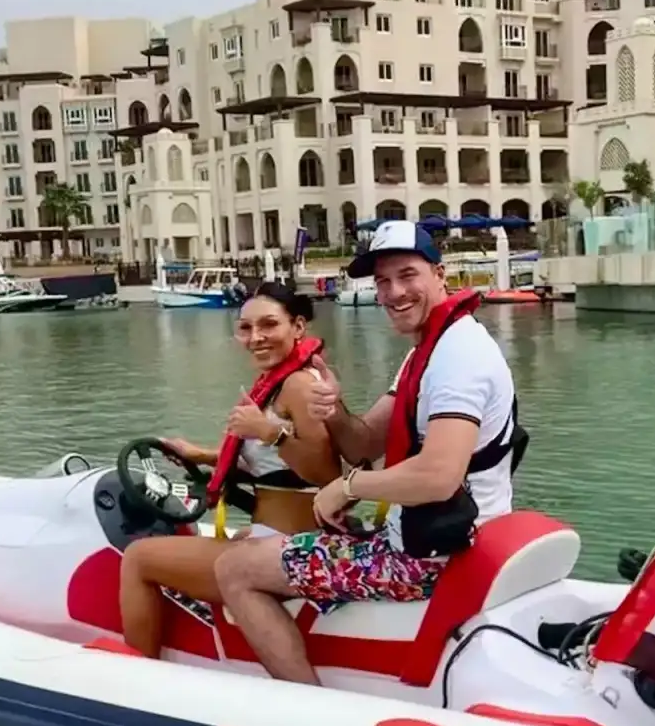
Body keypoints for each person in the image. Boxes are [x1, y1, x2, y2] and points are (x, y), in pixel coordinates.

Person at [212, 220, 522, 685]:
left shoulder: (460, 358)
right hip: (421, 534)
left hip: (432, 557)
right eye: (382, 281)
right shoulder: (429, 348)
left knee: (234, 568)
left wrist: (346, 487)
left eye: (407, 274)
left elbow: (438, 475)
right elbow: (362, 443)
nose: (394, 291)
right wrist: (332, 407)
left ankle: (311, 710)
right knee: (254, 546)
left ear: (440, 274)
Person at [118, 282, 339, 658]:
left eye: (269, 325)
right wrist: (200, 455)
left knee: (138, 558)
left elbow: (326, 475)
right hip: (274, 534)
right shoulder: (282, 381)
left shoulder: (299, 386)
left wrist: (268, 431)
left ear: (298, 327)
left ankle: (141, 673)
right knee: (228, 541)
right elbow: (278, 469)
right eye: (246, 328)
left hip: (286, 545)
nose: (256, 337)